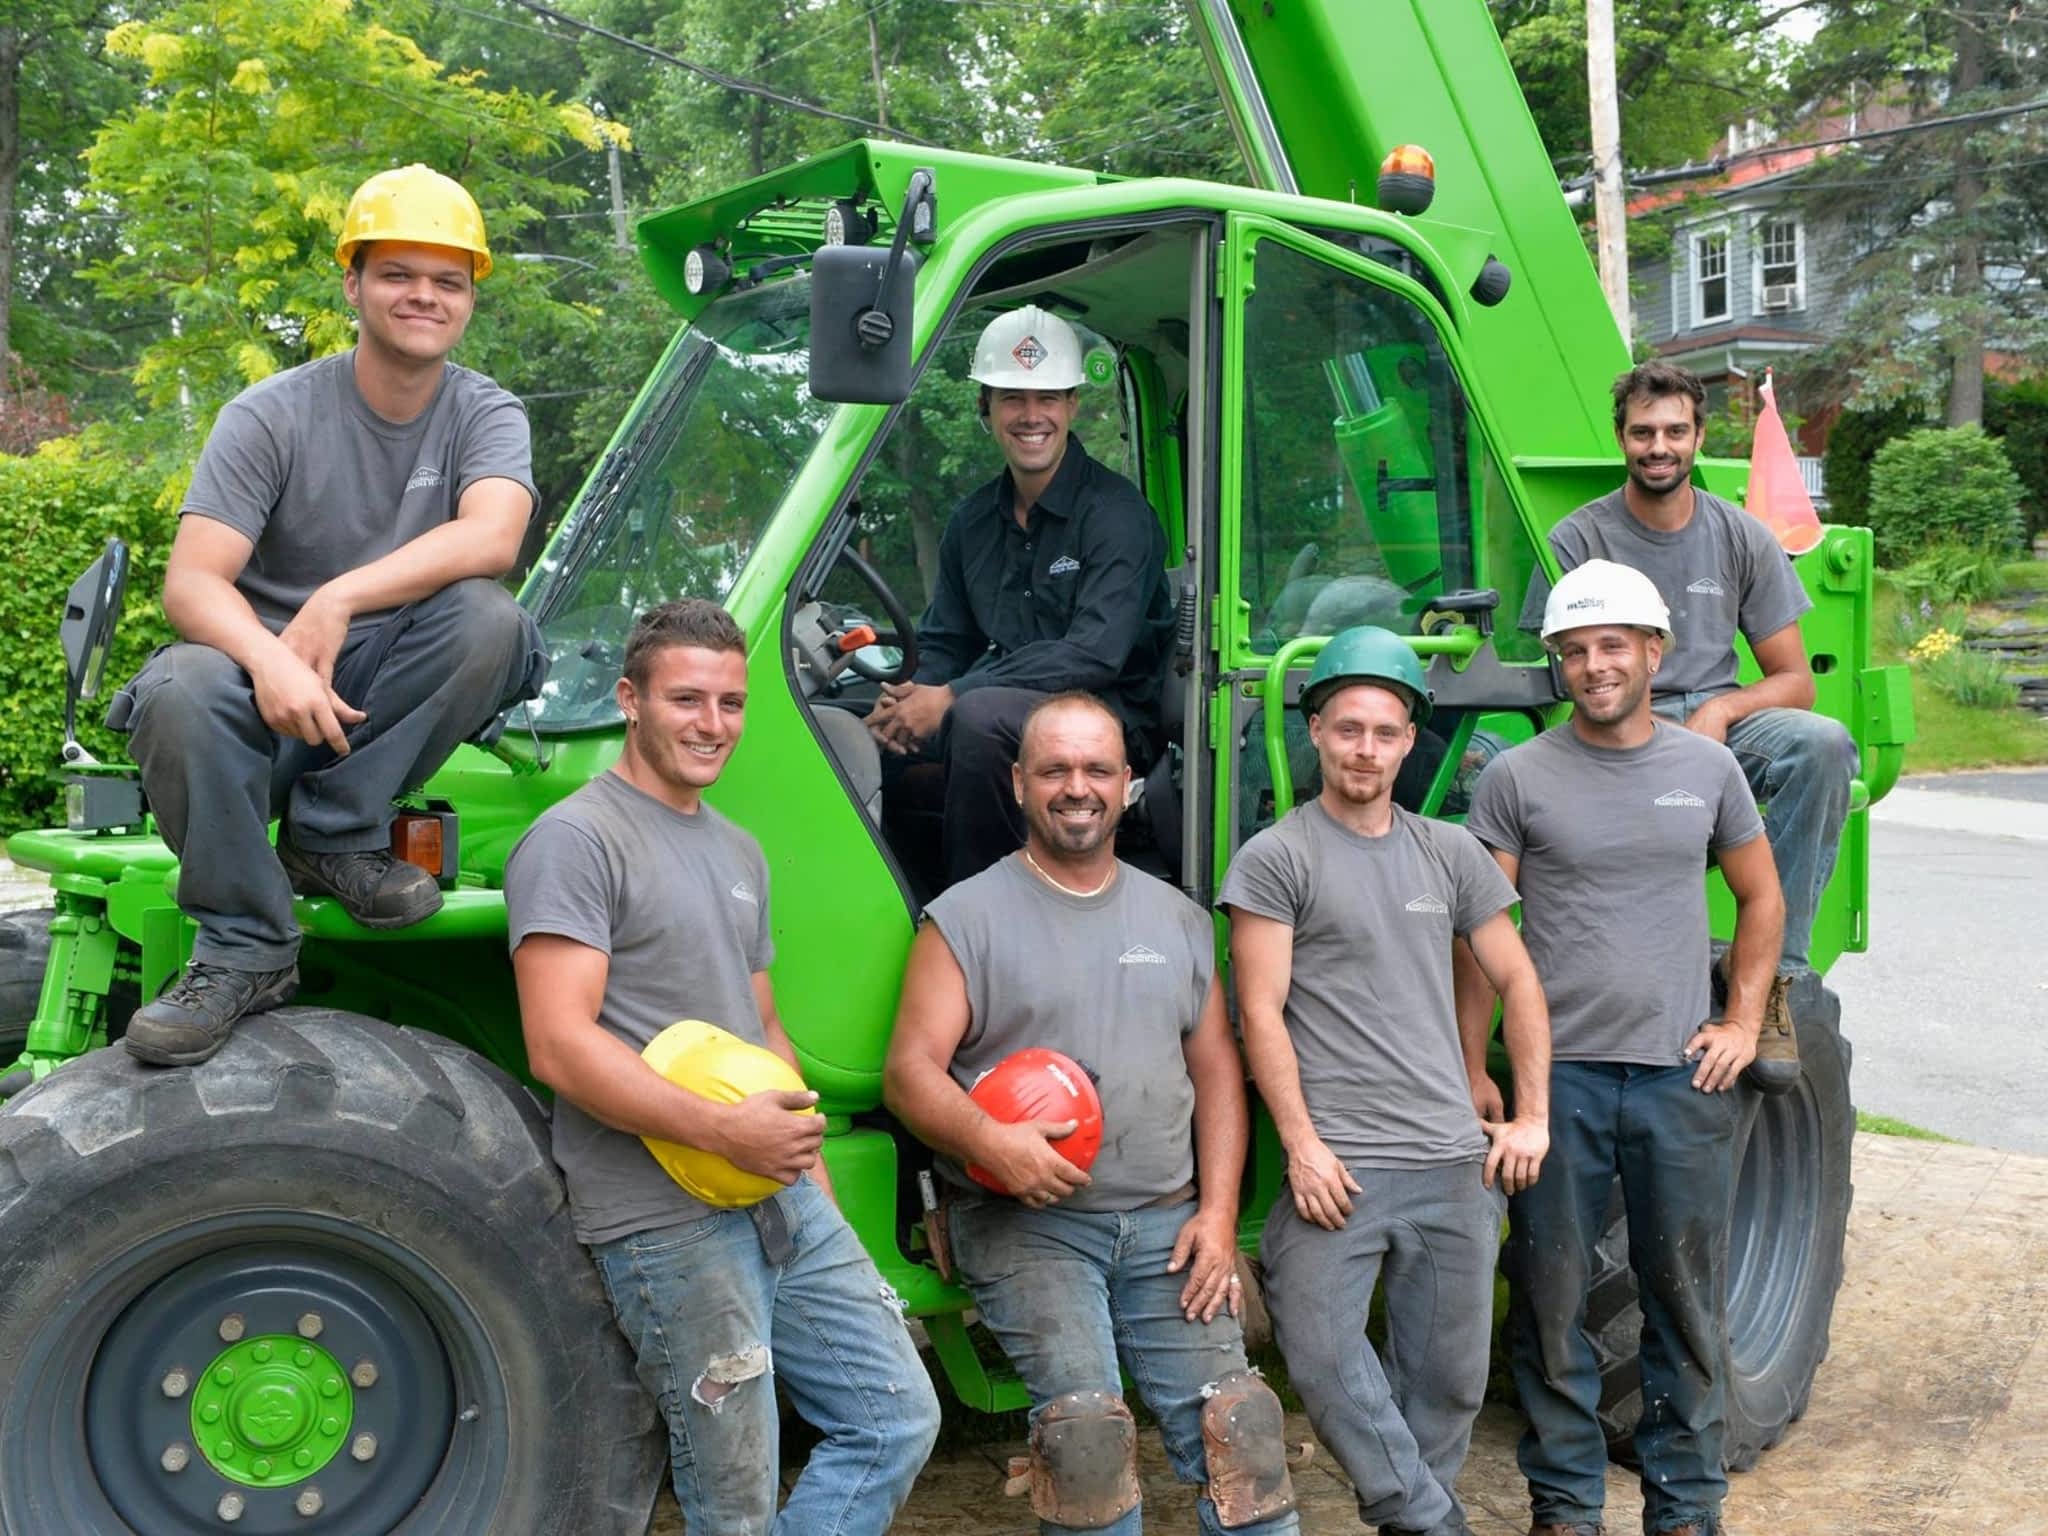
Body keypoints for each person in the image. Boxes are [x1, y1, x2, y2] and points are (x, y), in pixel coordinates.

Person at [504, 598, 939, 1535]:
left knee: (895, 1416)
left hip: (776, 1199)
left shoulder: (737, 849)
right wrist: (722, 1130)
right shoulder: (576, 841)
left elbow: (766, 1029)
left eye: (732, 704)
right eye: (687, 700)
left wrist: (814, 1185)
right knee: (732, 1501)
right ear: (630, 699)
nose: (713, 725)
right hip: (665, 1219)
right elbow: (559, 1042)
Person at [111, 164, 546, 1066]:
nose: (422, 295)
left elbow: (493, 537)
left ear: (470, 298)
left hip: (378, 699)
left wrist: (337, 596)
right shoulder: (269, 415)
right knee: (183, 683)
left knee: (488, 618)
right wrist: (269, 659)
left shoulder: (486, 413)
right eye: (397, 274)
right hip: (258, 714)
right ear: (352, 282)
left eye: (447, 281)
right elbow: (193, 584)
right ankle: (244, 947)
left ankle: (333, 837)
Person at [884, 691, 1300, 1536]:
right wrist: (988, 1138)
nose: (1078, 787)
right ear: (1018, 783)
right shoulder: (964, 918)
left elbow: (1219, 1075)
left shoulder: (1178, 919)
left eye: (1097, 769)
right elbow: (909, 1073)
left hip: (1167, 1226)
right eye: (1056, 770)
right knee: (1085, 1439)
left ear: (1128, 784)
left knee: (1244, 1432)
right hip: (1026, 1226)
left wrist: (1218, 1216)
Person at [1467, 559, 1786, 1536]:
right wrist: (1469, 1066)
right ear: (1555, 664)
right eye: (1573, 651)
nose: (1593, 665)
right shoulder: (1516, 775)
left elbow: (1760, 898)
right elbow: (1480, 931)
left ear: (1653, 651)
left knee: (1682, 1305)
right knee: (1550, 1301)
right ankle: (1564, 1508)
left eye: (1611, 646)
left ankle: (1684, 1511)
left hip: (1675, 1080)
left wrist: (1739, 1020)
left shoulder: (1705, 770)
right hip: (1552, 1080)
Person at [1219, 625, 1551, 1536]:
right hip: (1341, 1167)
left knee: (1449, 1382)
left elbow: (1518, 979)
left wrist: (1531, 1114)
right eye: (1348, 728)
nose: (1366, 748)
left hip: (1451, 1162)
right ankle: (1433, 1521)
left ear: (1411, 741)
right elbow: (1261, 1013)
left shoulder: (1449, 854)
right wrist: (1303, 1146)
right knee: (1323, 1359)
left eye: (1386, 731)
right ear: (1316, 730)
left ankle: (1415, 1521)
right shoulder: (1276, 857)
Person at [1537, 360, 1855, 1089]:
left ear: (1699, 436)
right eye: (1643, 432)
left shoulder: (1741, 537)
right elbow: (1556, 674)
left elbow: (1795, 680)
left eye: (1675, 431)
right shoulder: (1577, 539)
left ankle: (1776, 977)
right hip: (1613, 720)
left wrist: (1721, 709)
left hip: (1715, 723)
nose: (1660, 446)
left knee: (1822, 744)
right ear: (1620, 438)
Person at [867, 306, 1174, 885]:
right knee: (863, 737)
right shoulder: (972, 522)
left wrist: (953, 695)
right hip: (1002, 702)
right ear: (986, 408)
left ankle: (973, 926)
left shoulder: (1117, 515)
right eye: (1012, 398)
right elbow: (947, 639)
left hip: (1109, 713)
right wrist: (911, 699)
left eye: (1048, 398)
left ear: (1072, 407)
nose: (1031, 416)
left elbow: (1093, 653)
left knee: (979, 720)